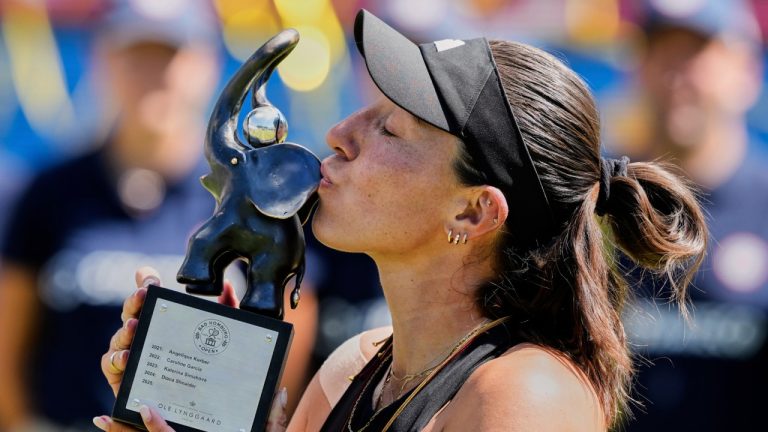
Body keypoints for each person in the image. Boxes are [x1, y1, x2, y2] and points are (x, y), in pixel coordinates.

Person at [92, 9, 707, 432]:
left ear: (474, 210)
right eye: (366, 109)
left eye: (389, 127)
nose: (339, 133)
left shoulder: (524, 396)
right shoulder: (352, 369)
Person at [0, 3, 222, 430]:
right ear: (102, 61)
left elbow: (283, 331)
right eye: (137, 54)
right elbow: (8, 339)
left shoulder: (236, 200)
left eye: (170, 56)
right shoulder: (51, 193)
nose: (155, 73)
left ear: (208, 65)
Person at [614, 1, 768, 430]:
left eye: (696, 54)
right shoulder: (592, 202)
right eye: (661, 51)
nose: (676, 74)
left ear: (748, 72)